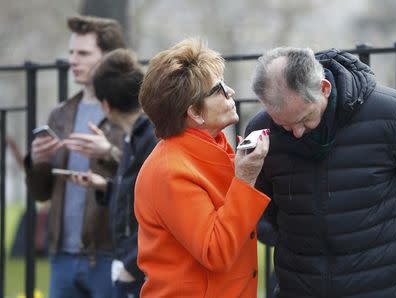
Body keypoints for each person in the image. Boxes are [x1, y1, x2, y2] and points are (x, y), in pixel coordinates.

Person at [246, 47, 396, 298]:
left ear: (324, 88)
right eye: (284, 125)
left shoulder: (395, 114)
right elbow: (262, 209)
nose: (296, 132)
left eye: (305, 119)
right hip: (301, 285)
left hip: (385, 285)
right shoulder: (261, 129)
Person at [135, 38, 271, 297]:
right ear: (195, 113)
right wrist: (245, 179)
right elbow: (215, 251)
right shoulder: (170, 170)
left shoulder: (212, 145)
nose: (230, 91)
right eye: (219, 88)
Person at [24, 15, 126, 298]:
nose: (73, 60)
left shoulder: (128, 115)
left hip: (108, 254)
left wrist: (109, 152)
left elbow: (142, 179)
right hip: (62, 257)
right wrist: (37, 161)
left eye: (83, 53)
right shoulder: (60, 114)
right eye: (71, 52)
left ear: (108, 58)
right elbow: (41, 193)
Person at [66, 48, 158, 298]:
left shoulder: (149, 137)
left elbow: (158, 211)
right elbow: (137, 192)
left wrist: (130, 265)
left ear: (106, 106)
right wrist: (106, 186)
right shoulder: (135, 136)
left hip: (139, 269)